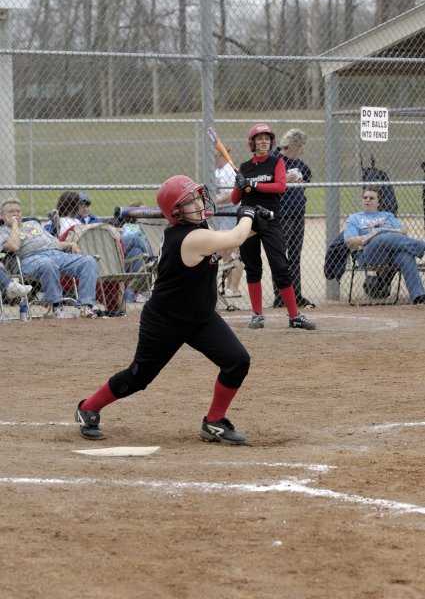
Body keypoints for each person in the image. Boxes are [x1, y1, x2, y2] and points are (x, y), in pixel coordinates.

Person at [74, 174, 272, 444]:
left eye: (198, 198)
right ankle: (88, 408)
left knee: (237, 361)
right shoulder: (187, 238)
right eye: (189, 202)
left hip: (200, 318)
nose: (199, 204)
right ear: (175, 213)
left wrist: (255, 224)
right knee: (138, 378)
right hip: (165, 321)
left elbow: (231, 240)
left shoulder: (198, 230)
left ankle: (214, 422)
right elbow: (234, 237)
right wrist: (247, 214)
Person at [231, 122, 316, 330]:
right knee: (253, 268)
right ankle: (257, 315)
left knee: (280, 267)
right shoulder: (244, 167)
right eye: (259, 139)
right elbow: (235, 199)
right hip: (248, 221)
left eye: (267, 139)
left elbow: (280, 186)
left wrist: (253, 184)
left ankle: (294, 316)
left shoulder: (276, 162)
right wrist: (239, 184)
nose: (264, 142)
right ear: (252, 143)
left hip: (270, 220)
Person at [0, 198, 99, 318]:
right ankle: (57, 306)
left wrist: (70, 244)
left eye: (18, 211)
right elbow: (14, 246)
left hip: (56, 253)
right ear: (2, 215)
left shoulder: (33, 224)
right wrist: (14, 225)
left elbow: (54, 243)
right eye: (11, 211)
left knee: (89, 261)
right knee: (48, 263)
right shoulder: (3, 231)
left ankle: (86, 306)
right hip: (30, 259)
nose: (16, 214)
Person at [344, 186, 425, 304]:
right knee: (380, 237)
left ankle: (419, 296)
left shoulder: (387, 215)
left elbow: (403, 230)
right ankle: (421, 246)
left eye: (371, 198)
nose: (367, 200)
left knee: (405, 256)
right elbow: (349, 241)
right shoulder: (354, 218)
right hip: (368, 254)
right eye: (365, 197)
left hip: (391, 254)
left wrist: (386, 231)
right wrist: (371, 235)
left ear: (379, 203)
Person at [271, 128, 315, 309]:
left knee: (295, 256)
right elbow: (267, 182)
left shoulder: (300, 164)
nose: (302, 151)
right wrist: (283, 179)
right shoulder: (274, 160)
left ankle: (296, 295)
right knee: (280, 257)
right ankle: (280, 296)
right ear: (294, 146)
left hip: (298, 215)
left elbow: (308, 176)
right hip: (282, 215)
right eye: (301, 147)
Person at [214, 149, 243, 296]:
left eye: (216, 156)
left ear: (223, 156)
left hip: (230, 211)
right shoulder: (217, 171)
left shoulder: (230, 171)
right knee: (224, 252)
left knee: (231, 251)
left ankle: (234, 288)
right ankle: (229, 288)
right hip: (219, 213)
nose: (214, 159)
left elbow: (232, 195)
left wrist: (215, 202)